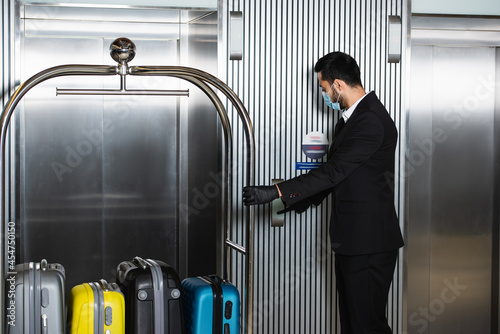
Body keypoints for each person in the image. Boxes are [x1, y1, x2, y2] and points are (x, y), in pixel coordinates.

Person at [242, 51, 404, 334]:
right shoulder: (350, 119)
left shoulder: (370, 120)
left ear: (338, 85)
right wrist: (286, 201)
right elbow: (338, 178)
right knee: (353, 324)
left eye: (324, 88)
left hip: (369, 243)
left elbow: (333, 172)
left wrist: (275, 191)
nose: (324, 94)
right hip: (354, 242)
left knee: (367, 326)